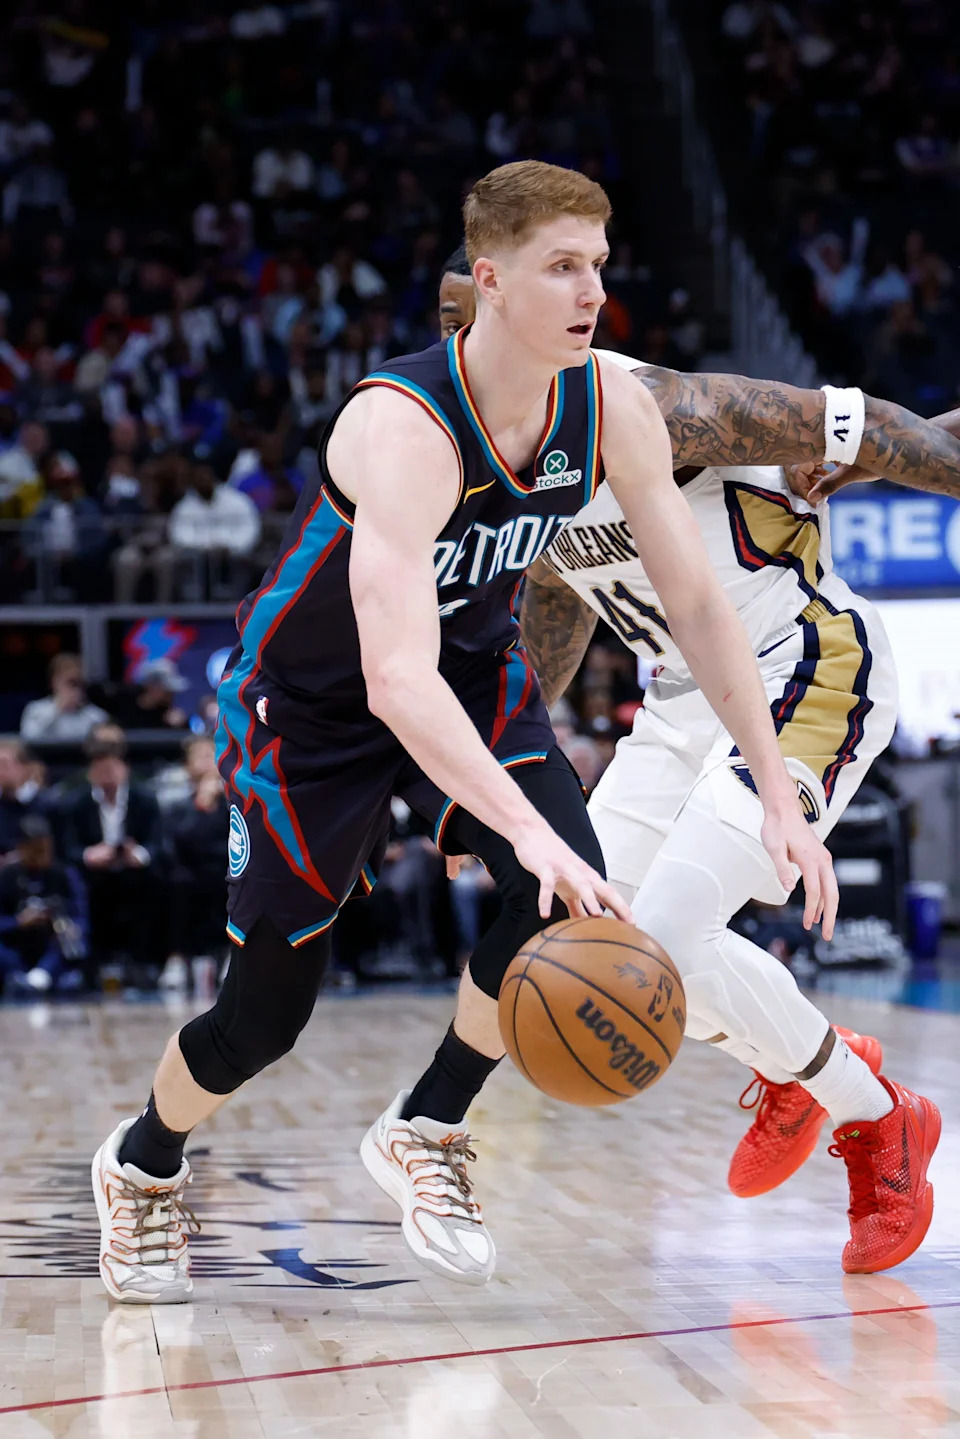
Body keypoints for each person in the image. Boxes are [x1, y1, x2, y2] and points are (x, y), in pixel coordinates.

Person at [91, 160, 836, 1304]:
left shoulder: (610, 408)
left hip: (474, 670)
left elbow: (695, 606)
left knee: (565, 893)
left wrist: (784, 794)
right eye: (561, 267)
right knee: (264, 1018)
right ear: (490, 281)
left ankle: (427, 1123)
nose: (592, 290)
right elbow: (392, 678)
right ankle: (143, 1163)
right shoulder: (401, 427)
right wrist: (523, 831)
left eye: (599, 263)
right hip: (315, 708)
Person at [60, 726, 163, 974]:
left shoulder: (144, 799)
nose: (107, 774)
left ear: (124, 768)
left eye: (112, 768)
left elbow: (158, 843)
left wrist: (139, 855)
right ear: (90, 772)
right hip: (94, 872)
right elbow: (67, 848)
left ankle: (144, 964)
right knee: (85, 887)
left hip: (135, 870)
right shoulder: (77, 802)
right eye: (100, 769)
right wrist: (90, 854)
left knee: (156, 882)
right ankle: (93, 966)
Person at [0, 815, 87, 995]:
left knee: (71, 941)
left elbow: (82, 916)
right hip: (16, 945)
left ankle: (40, 977)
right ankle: (20, 978)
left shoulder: (64, 874)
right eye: (37, 851)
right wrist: (18, 921)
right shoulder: (6, 876)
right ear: (21, 849)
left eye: (47, 851)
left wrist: (72, 927)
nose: (43, 857)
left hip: (52, 945)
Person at [19, 653, 108, 745]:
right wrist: (58, 709)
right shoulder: (36, 710)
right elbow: (28, 742)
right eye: (71, 683)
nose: (76, 689)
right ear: (54, 682)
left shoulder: (96, 717)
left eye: (79, 683)